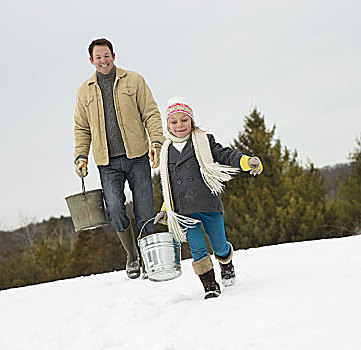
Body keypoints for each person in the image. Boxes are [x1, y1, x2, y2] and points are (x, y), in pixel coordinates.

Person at [73, 38, 165, 279]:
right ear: (91, 61)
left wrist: (157, 141)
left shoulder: (134, 80)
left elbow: (151, 113)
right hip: (107, 162)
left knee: (145, 209)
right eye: (98, 57)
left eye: (107, 55)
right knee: (114, 208)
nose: (103, 61)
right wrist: (80, 156)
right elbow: (82, 128)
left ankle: (148, 259)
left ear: (114, 56)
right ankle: (132, 255)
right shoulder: (84, 91)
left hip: (137, 156)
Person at [154, 96, 263, 299]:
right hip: (184, 210)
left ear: (192, 121)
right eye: (174, 121)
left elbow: (225, 155)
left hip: (208, 203)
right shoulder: (166, 151)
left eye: (184, 120)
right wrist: (164, 210)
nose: (179, 125)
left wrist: (247, 161)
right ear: (168, 124)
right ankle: (210, 285)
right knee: (198, 249)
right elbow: (169, 186)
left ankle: (227, 265)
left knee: (219, 244)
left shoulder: (204, 141)